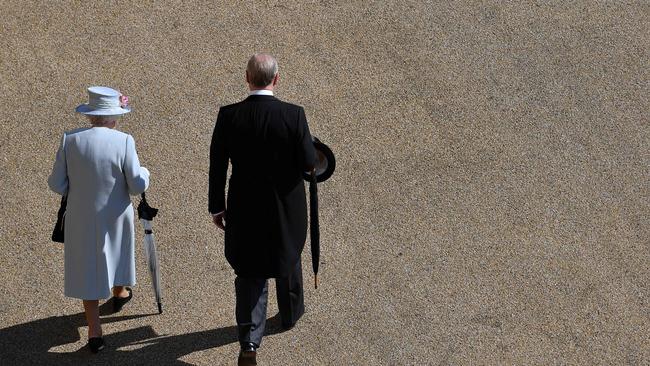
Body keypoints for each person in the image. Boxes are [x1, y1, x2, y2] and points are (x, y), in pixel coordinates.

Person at [209, 53, 316, 366]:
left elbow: (217, 164)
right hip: (286, 208)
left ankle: (250, 342)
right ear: (276, 79)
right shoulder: (294, 115)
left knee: (250, 273)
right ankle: (290, 314)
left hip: (244, 208)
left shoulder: (229, 116)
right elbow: (309, 162)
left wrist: (217, 205)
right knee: (288, 257)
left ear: (247, 78)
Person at [48, 86, 150, 353]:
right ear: (113, 117)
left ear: (91, 115)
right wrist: (146, 173)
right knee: (117, 253)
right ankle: (119, 292)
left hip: (81, 216)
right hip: (115, 214)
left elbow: (57, 183)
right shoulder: (124, 141)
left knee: (87, 267)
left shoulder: (70, 140)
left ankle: (95, 331)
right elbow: (137, 184)